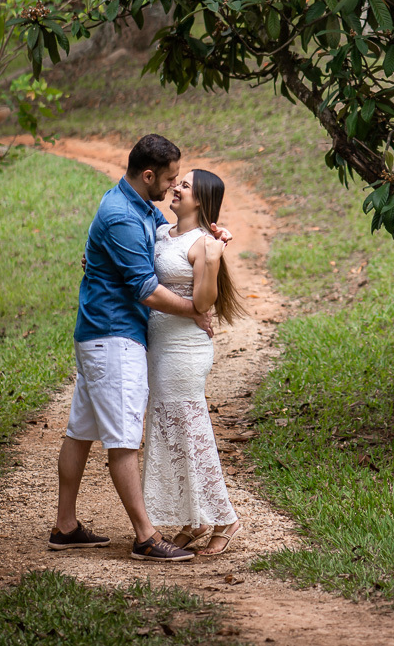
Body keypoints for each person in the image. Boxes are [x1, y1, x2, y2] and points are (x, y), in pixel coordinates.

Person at [48, 134, 226, 562]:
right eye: (168, 179)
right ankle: (146, 537)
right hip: (114, 336)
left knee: (81, 431)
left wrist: (212, 235)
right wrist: (193, 311)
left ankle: (65, 526)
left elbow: (173, 243)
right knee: (124, 440)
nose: (171, 187)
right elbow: (146, 289)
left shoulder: (135, 206)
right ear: (147, 175)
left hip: (100, 333)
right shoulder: (122, 215)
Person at [143, 168, 246, 556]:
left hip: (185, 350)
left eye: (184, 185)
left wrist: (216, 256)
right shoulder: (160, 233)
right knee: (169, 432)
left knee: (191, 429)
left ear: (200, 199)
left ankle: (226, 518)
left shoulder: (205, 244)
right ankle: (196, 519)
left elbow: (203, 304)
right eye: (177, 182)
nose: (175, 188)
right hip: (159, 344)